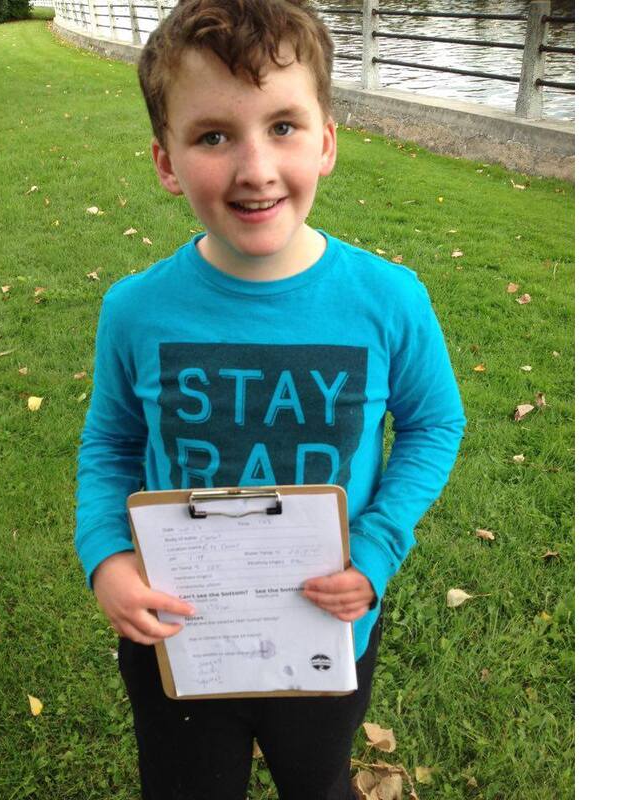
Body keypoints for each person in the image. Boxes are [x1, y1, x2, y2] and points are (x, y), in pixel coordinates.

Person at [74, 1, 466, 797]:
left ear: (326, 142)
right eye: (214, 136)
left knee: (316, 785)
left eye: (283, 126)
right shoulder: (136, 310)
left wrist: (376, 548)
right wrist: (106, 555)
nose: (255, 168)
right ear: (166, 162)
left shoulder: (389, 299)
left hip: (327, 623)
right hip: (177, 628)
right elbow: (111, 444)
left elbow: (433, 423)